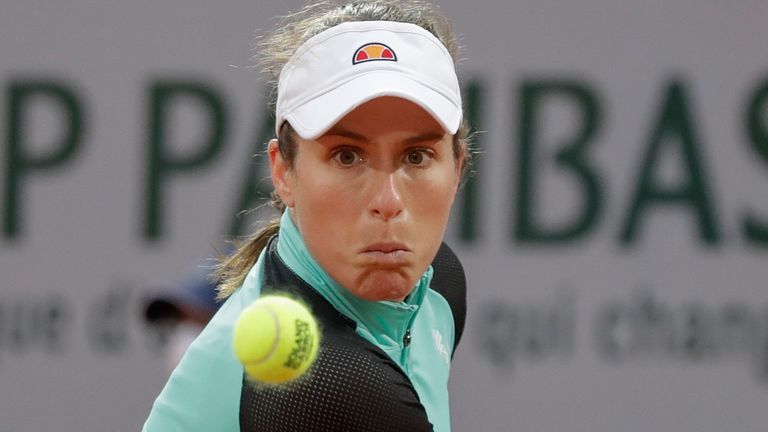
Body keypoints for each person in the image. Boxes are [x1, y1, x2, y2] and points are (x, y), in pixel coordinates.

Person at [143, 0, 470, 430]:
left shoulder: (437, 285)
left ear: (458, 167)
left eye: (417, 155)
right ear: (283, 172)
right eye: (348, 156)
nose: (388, 201)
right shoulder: (327, 385)